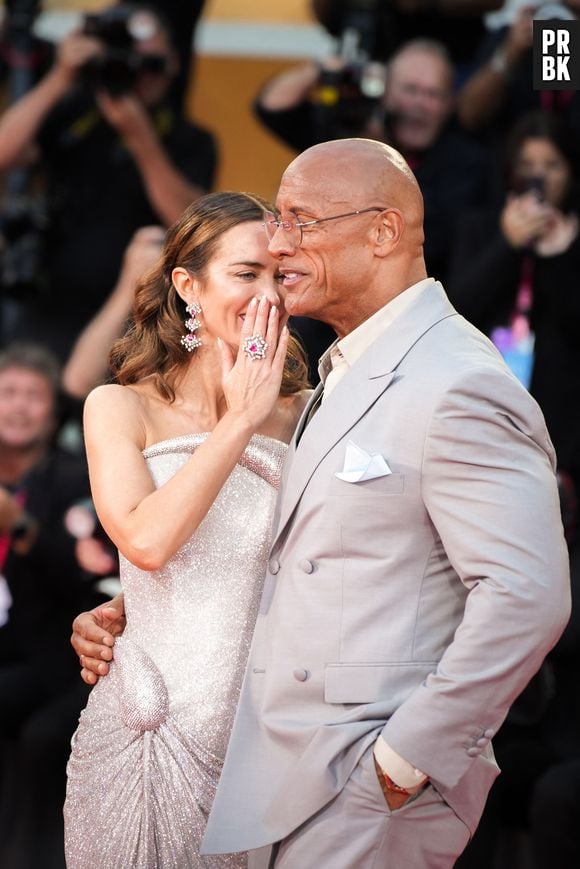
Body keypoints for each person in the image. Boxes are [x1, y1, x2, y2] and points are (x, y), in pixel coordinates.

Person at [73, 139, 570, 868]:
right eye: (260, 250)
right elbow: (296, 554)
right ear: (187, 286)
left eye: (300, 223)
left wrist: (407, 757)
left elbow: (524, 596)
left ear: (383, 231)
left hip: (355, 775)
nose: (281, 246)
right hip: (255, 767)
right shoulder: (343, 371)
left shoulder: (457, 380)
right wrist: (138, 608)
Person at [62, 191, 311, 868]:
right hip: (145, 738)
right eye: (246, 273)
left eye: (280, 276)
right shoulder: (118, 406)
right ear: (187, 284)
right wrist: (238, 419)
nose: (268, 294)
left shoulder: (310, 415)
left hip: (269, 747)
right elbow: (145, 542)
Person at [0, 1, 217, 361]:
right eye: (130, 63)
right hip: (49, 299)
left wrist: (137, 134)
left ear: (174, 65)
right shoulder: (74, 114)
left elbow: (187, 220)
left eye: (152, 65)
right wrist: (60, 77)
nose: (139, 76)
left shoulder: (190, 140)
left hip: (140, 310)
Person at [255, 38, 490, 283]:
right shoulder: (348, 138)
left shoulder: (466, 162)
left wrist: (379, 162)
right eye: (410, 90)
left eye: (433, 94)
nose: (420, 104)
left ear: (450, 103)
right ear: (384, 91)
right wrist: (326, 68)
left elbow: (431, 240)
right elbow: (272, 107)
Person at [0, 342, 100, 869]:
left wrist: (20, 528)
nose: (18, 407)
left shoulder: (73, 479)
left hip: (55, 656)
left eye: (33, 396)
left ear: (53, 408)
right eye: (8, 393)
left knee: (39, 736)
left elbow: (84, 574)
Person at [446, 109, 580, 501]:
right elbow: (456, 311)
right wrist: (507, 244)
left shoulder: (573, 238)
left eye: (552, 165)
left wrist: (558, 258)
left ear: (570, 170)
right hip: (484, 410)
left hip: (562, 422)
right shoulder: (480, 227)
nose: (539, 177)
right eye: (527, 164)